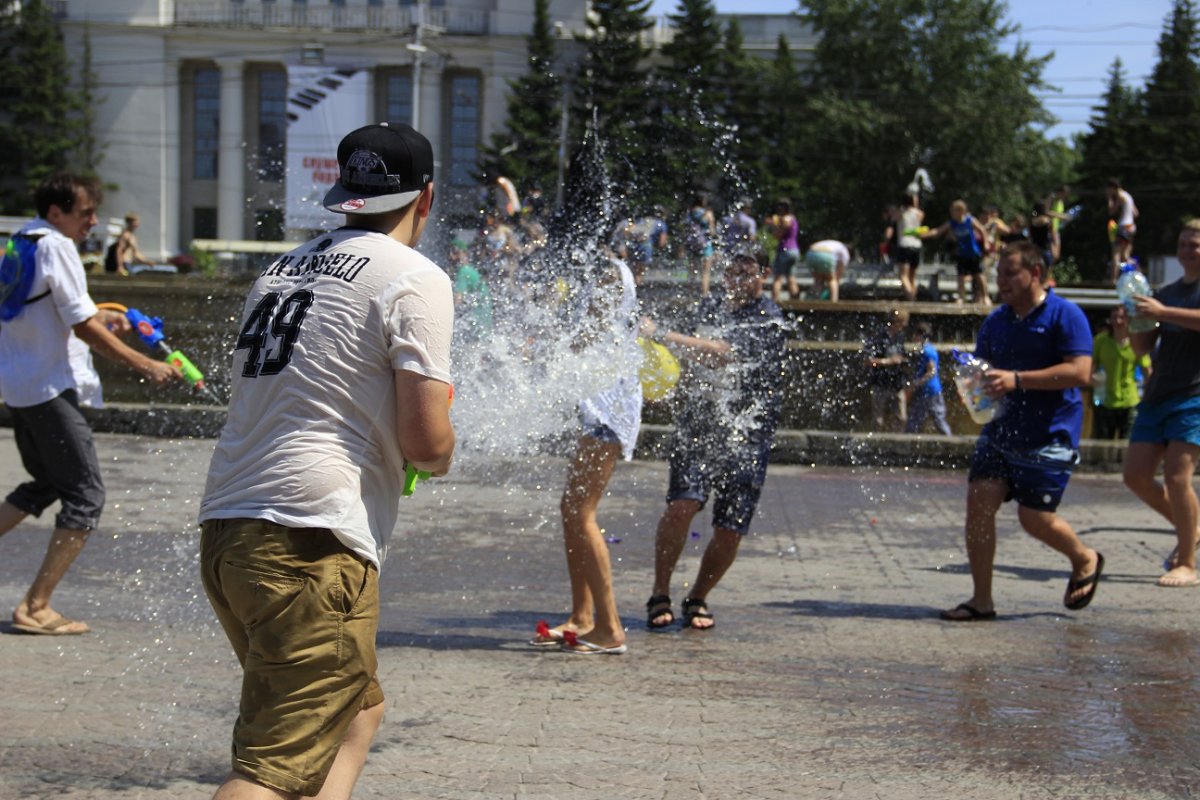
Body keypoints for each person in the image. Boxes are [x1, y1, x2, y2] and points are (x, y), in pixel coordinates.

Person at [197, 122, 456, 799]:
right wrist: (444, 447)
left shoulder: (282, 268)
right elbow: (428, 444)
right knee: (269, 771)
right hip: (310, 543)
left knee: (354, 714)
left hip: (232, 527)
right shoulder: (415, 278)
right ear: (426, 199)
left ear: (345, 194)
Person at [0, 174, 180, 636]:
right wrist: (147, 364)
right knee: (86, 495)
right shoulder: (57, 245)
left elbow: (50, 312)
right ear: (57, 212)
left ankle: (37, 604)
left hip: (21, 385)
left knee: (45, 484)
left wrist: (103, 316)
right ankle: (36, 607)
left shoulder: (23, 241)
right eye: (84, 212)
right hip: (48, 389)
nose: (93, 221)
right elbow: (79, 326)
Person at [941, 241, 1101, 621]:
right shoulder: (996, 321)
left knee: (1035, 521)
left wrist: (1016, 379)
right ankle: (982, 600)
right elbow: (987, 370)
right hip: (1000, 433)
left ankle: (1084, 557)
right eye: (998, 273)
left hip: (1049, 435)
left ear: (1035, 273)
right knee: (979, 502)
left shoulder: (1065, 315)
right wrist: (974, 382)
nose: (1001, 280)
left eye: (1010, 272)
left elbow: (1080, 372)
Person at [640, 253, 787, 630]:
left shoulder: (769, 317)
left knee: (730, 526)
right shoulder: (708, 307)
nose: (738, 278)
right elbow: (682, 352)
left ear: (763, 275)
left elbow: (724, 354)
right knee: (681, 506)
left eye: (747, 272)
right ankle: (660, 593)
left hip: (748, 431)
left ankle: (698, 597)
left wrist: (660, 333)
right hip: (699, 423)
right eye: (732, 271)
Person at [530, 254, 641, 655]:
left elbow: (576, 346)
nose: (595, 293)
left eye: (603, 288)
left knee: (582, 512)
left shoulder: (612, 309)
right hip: (599, 416)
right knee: (570, 508)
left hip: (607, 419)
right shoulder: (606, 313)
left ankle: (610, 627)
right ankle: (582, 616)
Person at [1123, 221, 1200, 588]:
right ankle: (1192, 528)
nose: (1189, 250)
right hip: (1158, 394)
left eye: (1196, 244)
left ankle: (1186, 562)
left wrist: (1162, 312)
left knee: (1176, 477)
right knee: (1135, 476)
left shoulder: (1166, 300)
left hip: (1194, 396)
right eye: (1184, 244)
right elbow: (1142, 349)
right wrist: (1135, 323)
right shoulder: (1167, 292)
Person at [1090, 305, 1150, 441]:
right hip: (1105, 400)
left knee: (1127, 445)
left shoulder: (1136, 340)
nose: (1118, 321)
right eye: (1114, 317)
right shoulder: (1101, 340)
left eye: (1122, 317)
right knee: (1102, 444)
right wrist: (1092, 380)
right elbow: (1091, 367)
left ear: (1128, 319)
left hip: (1130, 400)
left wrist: (1148, 396)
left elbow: (1147, 370)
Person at [921, 199, 991, 306]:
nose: (951, 214)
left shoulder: (969, 220)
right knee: (961, 276)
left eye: (953, 211)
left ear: (960, 211)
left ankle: (985, 296)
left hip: (973, 252)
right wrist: (924, 235)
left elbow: (982, 230)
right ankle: (961, 297)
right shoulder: (952, 223)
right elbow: (938, 231)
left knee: (978, 275)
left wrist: (986, 243)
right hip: (961, 253)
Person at [864, 308, 910, 431]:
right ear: (896, 322)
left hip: (897, 383)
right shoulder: (878, 338)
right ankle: (876, 444)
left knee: (902, 418)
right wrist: (888, 361)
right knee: (878, 420)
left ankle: (897, 443)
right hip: (881, 382)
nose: (903, 327)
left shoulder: (900, 338)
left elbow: (901, 356)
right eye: (902, 323)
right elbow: (868, 361)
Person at [905, 321, 952, 436]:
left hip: (931, 391)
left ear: (921, 335)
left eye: (915, 334)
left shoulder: (927, 351)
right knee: (916, 419)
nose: (913, 337)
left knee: (938, 419)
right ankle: (908, 441)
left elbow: (932, 371)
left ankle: (950, 441)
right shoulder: (927, 349)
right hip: (925, 390)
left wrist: (916, 383)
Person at [766, 198, 800, 303]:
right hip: (794, 250)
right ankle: (795, 302)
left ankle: (774, 302)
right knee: (791, 277)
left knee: (778, 278)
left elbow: (778, 235)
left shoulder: (784, 219)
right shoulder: (793, 219)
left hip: (784, 250)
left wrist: (773, 226)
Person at [682, 195, 717, 294]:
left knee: (691, 273)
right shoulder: (708, 214)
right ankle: (704, 295)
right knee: (705, 273)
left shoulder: (689, 213)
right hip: (705, 246)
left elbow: (685, 230)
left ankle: (690, 295)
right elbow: (712, 232)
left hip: (692, 246)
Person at [1106, 179, 1138, 284]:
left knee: (1116, 254)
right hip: (1131, 227)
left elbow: (1112, 211)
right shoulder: (1128, 196)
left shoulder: (1120, 195)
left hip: (1123, 227)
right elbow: (1136, 213)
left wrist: (1110, 199)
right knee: (1126, 255)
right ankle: (1137, 274)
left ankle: (1113, 280)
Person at [894, 195, 925, 301]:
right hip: (916, 245)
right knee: (912, 277)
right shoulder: (919, 213)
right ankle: (913, 297)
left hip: (904, 244)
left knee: (903, 276)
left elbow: (894, 218)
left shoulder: (901, 212)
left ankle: (911, 298)